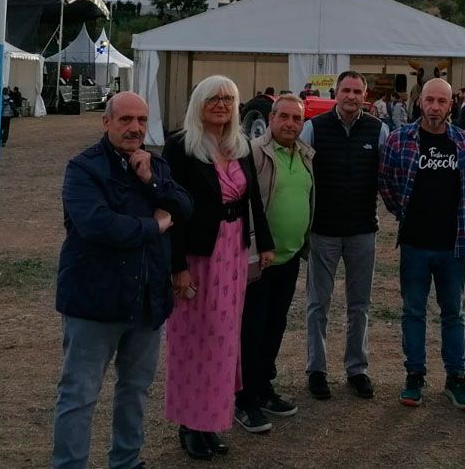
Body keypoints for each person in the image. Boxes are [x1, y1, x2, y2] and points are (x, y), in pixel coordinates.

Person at [51, 92, 193, 469]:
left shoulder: (156, 165)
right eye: (126, 119)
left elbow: (185, 207)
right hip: (95, 300)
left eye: (142, 121)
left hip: (147, 300)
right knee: (79, 394)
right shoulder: (84, 168)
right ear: (106, 122)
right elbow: (98, 225)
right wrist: (155, 224)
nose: (135, 128)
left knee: (135, 391)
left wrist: (151, 182)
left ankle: (127, 462)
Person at [162, 75, 274, 460]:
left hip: (233, 252)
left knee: (226, 342)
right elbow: (170, 211)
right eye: (214, 98)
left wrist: (267, 244)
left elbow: (252, 199)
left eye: (228, 99)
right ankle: (189, 424)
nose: (222, 105)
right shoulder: (181, 146)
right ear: (199, 102)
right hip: (198, 255)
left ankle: (210, 420)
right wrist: (177, 266)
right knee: (195, 340)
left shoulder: (239, 144)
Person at [378, 78, 465, 410]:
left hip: (453, 245)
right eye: (430, 100)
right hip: (415, 244)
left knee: (454, 313)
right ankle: (414, 376)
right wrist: (403, 212)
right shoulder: (399, 139)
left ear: (451, 105)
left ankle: (456, 377)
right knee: (413, 312)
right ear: (420, 102)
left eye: (442, 101)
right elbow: (387, 182)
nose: (435, 107)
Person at [299, 71, 388, 401]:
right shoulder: (315, 128)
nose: (351, 96)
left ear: (365, 95)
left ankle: (356, 369)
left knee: (359, 304)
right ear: (336, 93)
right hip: (323, 230)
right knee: (317, 303)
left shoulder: (379, 131)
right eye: (346, 90)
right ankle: (317, 369)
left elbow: (387, 176)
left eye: (357, 91)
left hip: (363, 230)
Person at [235, 94, 315, 433]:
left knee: (275, 325)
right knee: (251, 330)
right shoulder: (254, 153)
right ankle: (245, 400)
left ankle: (264, 388)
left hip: (290, 256)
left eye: (296, 119)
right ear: (270, 119)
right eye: (283, 117)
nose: (290, 124)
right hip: (259, 260)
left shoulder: (306, 155)